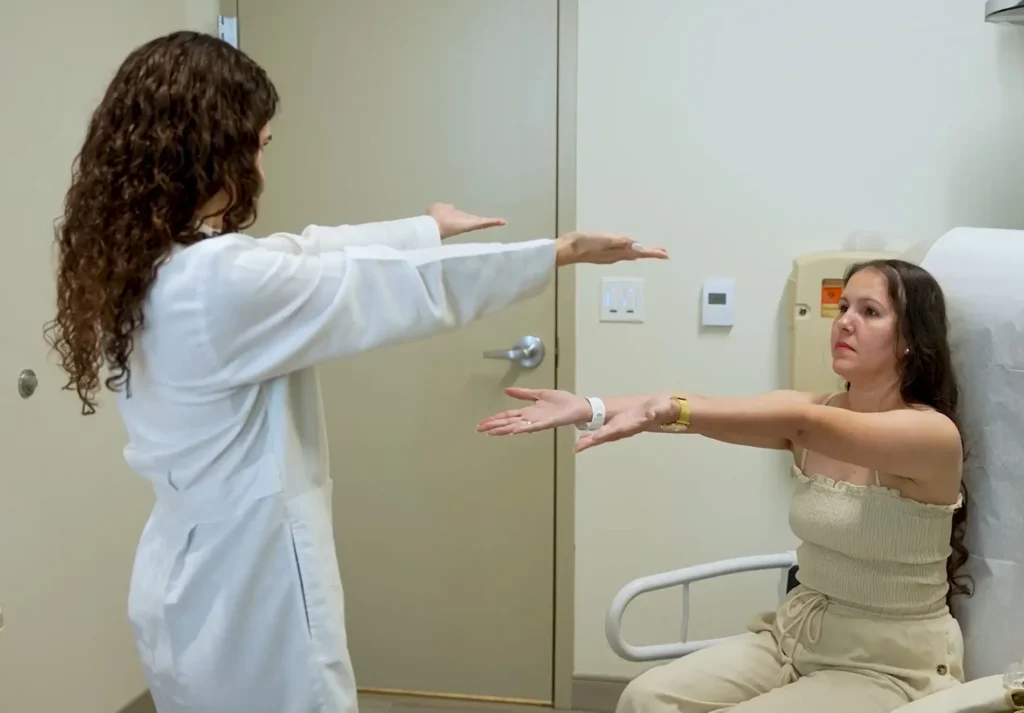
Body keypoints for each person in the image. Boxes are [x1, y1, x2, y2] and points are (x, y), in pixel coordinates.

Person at [42, 31, 668, 713]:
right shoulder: (219, 281)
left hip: (181, 570)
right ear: (209, 146)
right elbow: (387, 288)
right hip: (251, 587)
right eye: (259, 144)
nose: (260, 165)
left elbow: (309, 252)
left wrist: (425, 227)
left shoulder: (148, 266)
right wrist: (559, 251)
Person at [478, 259, 971, 713]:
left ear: (909, 338)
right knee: (645, 699)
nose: (844, 321)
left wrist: (676, 409)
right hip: (793, 637)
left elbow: (792, 423)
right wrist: (590, 407)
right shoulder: (816, 413)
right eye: (842, 307)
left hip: (889, 665)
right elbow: (702, 408)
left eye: (870, 312)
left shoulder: (929, 434)